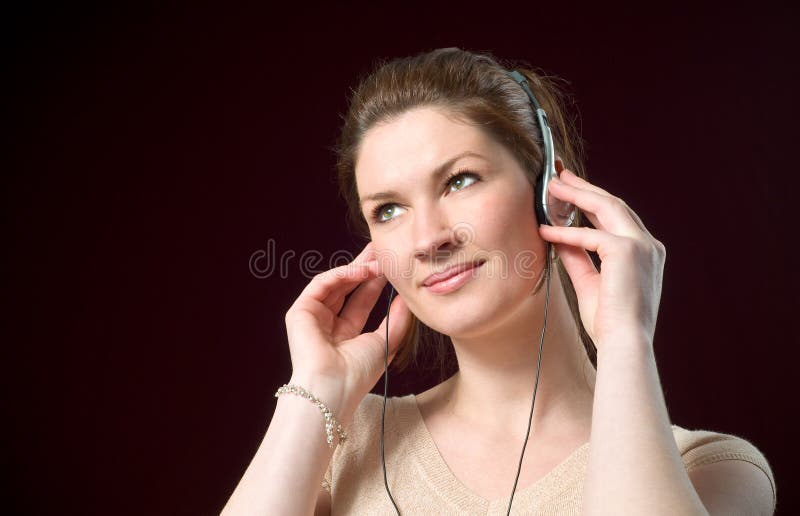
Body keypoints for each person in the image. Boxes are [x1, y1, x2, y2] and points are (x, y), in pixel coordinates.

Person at [222, 48, 776, 515]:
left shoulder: (709, 468)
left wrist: (625, 339)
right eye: (389, 210)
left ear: (552, 192)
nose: (427, 239)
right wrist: (316, 391)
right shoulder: (340, 441)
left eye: (460, 180)